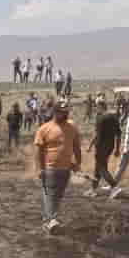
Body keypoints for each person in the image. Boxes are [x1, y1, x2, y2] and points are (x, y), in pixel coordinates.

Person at [33, 98, 82, 233]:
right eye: (62, 112)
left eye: (66, 112)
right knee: (50, 194)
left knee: (57, 196)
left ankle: (48, 221)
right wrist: (40, 168)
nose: (65, 114)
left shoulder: (72, 127)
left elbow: (76, 147)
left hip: (65, 169)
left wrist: (77, 163)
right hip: (50, 169)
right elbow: (38, 151)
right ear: (55, 112)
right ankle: (52, 219)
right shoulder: (44, 129)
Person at [84, 102, 120, 196]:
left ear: (101, 107)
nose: (96, 109)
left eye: (97, 107)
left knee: (101, 168)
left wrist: (90, 145)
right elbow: (119, 134)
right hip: (110, 146)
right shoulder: (114, 117)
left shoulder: (100, 118)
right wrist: (117, 148)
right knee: (98, 167)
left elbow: (96, 134)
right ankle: (93, 189)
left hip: (101, 146)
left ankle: (114, 187)